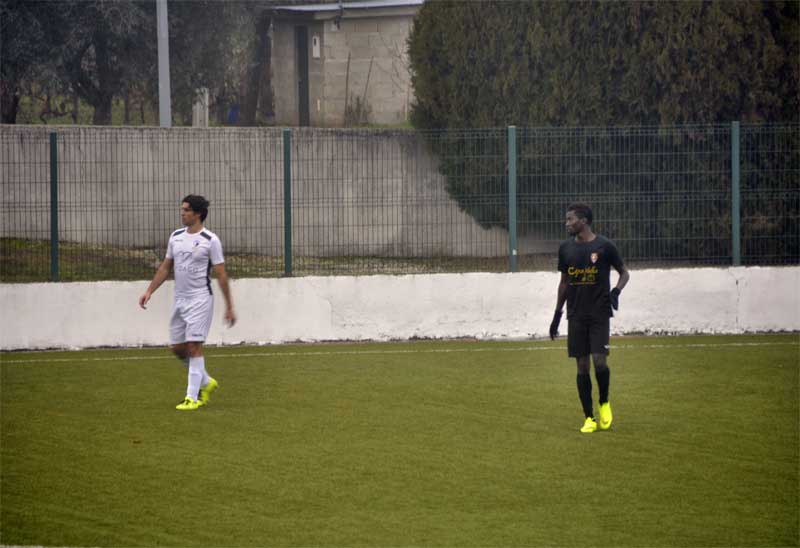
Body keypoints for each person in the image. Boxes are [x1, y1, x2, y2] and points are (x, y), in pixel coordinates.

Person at [139, 195, 236, 411]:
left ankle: (191, 398)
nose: (182, 213)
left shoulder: (211, 240)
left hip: (200, 299)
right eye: (182, 209)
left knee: (193, 346)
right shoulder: (175, 237)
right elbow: (166, 267)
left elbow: (221, 274)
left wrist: (229, 306)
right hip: (180, 299)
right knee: (178, 349)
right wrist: (149, 290)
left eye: (186, 210)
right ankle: (206, 382)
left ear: (198, 214)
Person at [549, 203, 629, 433]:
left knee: (599, 362)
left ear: (583, 221)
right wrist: (557, 315)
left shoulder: (604, 246)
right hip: (576, 315)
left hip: (599, 313)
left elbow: (624, 273)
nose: (566, 223)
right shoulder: (565, 248)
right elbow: (564, 283)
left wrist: (616, 292)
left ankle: (604, 402)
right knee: (582, 366)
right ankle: (589, 418)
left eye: (570, 219)